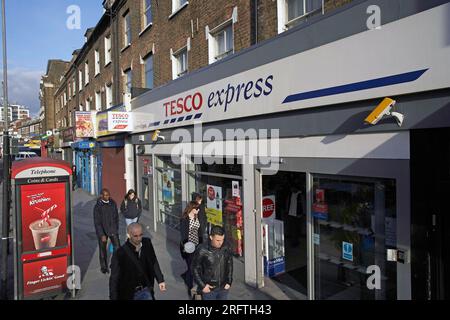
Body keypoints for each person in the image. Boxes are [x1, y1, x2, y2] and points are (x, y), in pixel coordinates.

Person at [110, 223, 166, 300]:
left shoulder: (147, 243)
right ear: (129, 235)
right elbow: (114, 279)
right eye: (135, 236)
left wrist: (160, 279)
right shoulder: (120, 253)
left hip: (146, 289)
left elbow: (153, 261)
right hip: (129, 294)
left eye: (140, 235)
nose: (139, 238)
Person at [191, 225, 233, 300]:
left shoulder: (226, 247)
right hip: (209, 289)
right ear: (211, 237)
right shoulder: (202, 250)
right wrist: (203, 286)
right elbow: (194, 268)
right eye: (218, 240)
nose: (220, 243)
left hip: (223, 288)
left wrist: (229, 282)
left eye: (222, 239)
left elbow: (230, 264)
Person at [179, 201, 205, 296]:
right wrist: (187, 247)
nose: (198, 210)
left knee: (196, 266)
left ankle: (187, 277)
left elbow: (199, 231)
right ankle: (189, 286)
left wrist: (201, 244)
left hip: (197, 245)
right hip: (189, 247)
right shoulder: (185, 219)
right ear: (191, 208)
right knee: (191, 267)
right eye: (196, 209)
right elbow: (183, 235)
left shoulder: (196, 217)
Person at [94, 188, 120, 274]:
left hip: (112, 229)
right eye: (106, 195)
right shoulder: (97, 207)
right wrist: (102, 235)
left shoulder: (113, 203)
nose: (108, 196)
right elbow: (97, 222)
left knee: (117, 248)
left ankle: (114, 263)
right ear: (102, 196)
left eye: (108, 195)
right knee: (102, 250)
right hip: (103, 231)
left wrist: (116, 228)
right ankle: (104, 267)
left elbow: (116, 216)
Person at [286, 181, 305, 247]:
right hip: (291, 214)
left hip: (297, 215)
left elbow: (303, 204)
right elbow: (288, 203)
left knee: (295, 229)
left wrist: (303, 213)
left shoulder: (300, 195)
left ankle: (295, 242)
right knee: (292, 228)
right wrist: (287, 211)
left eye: (292, 188)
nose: (291, 190)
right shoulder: (290, 194)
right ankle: (294, 241)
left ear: (295, 188)